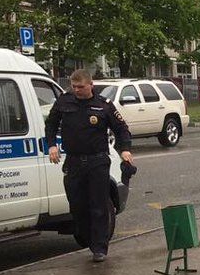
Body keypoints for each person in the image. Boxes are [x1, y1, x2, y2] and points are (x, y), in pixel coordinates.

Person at [45, 70, 134, 262]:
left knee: (99, 204)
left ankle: (99, 248)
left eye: (81, 87)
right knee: (77, 205)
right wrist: (51, 144)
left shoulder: (103, 105)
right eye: (74, 86)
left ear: (90, 85)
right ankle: (88, 238)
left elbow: (121, 129)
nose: (77, 90)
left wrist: (125, 149)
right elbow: (51, 124)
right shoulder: (64, 101)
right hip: (74, 161)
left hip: (97, 161)